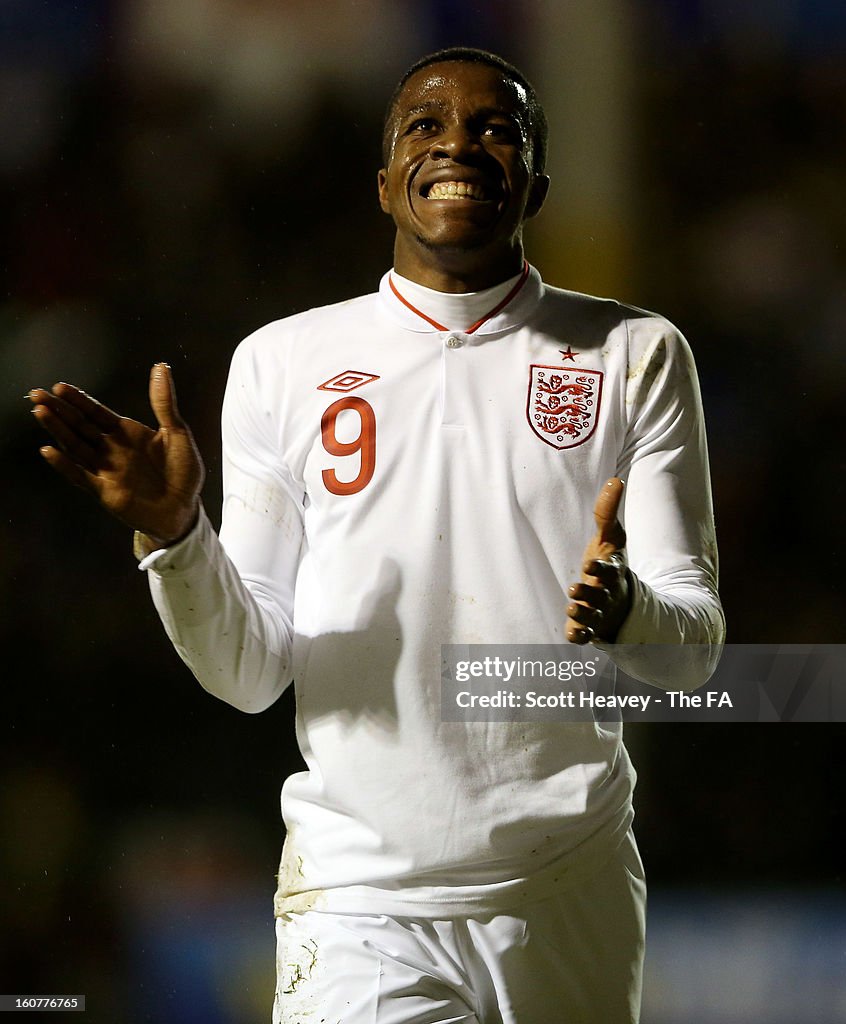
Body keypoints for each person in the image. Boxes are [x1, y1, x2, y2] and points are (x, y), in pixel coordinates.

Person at [30, 47, 723, 1024]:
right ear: (385, 182)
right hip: (361, 897)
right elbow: (249, 670)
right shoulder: (283, 363)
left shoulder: (633, 352)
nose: (460, 144)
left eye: (496, 127)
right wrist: (177, 535)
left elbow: (691, 651)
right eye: (425, 125)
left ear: (537, 181)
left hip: (572, 883)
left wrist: (630, 614)